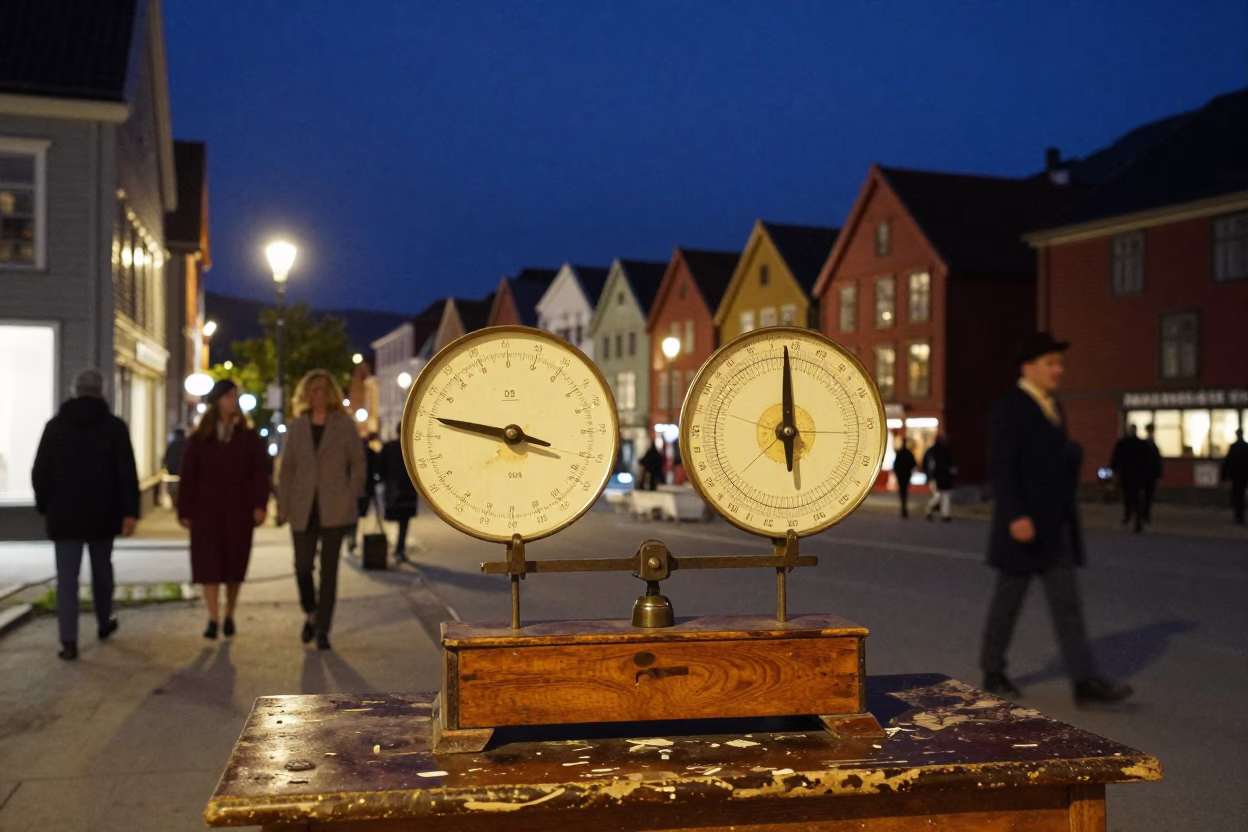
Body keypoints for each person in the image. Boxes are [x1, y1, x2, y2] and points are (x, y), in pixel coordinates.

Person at [979, 332, 1131, 706]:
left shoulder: (1054, 408)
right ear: (1028, 366)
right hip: (1023, 527)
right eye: (1052, 363)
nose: (1059, 370)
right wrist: (1015, 515)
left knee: (1067, 605)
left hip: (1056, 526)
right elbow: (1001, 467)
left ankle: (1085, 682)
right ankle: (992, 669)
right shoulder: (1010, 408)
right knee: (1007, 602)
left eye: (1060, 364)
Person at [31, 369, 139, 661]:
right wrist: (130, 512)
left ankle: (68, 641)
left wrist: (44, 505)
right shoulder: (115, 427)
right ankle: (104, 622)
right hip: (103, 514)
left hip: (64, 515)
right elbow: (127, 473)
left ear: (75, 390)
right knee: (102, 571)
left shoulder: (55, 427)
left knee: (67, 579)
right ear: (102, 390)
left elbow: (40, 471)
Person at [277, 370, 366, 650]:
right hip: (303, 507)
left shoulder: (344, 425)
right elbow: (287, 468)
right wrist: (283, 506)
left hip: (334, 507)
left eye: (323, 391)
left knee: (329, 573)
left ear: (331, 395)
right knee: (302, 567)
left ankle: (323, 629)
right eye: (313, 390)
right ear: (306, 395)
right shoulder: (298, 426)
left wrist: (351, 492)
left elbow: (358, 463)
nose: (319, 396)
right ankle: (311, 613)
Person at [176, 380, 270, 639]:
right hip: (207, 510)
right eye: (228, 397)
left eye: (235, 397)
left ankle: (230, 613)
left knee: (234, 565)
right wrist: (185, 509)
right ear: (217, 401)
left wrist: (260, 505)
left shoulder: (248, 437)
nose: (232, 402)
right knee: (209, 565)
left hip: (238, 510)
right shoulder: (200, 438)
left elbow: (260, 473)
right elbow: (189, 475)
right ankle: (212, 617)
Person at [380, 434, 418, 561]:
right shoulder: (412, 447)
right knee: (404, 521)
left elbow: (381, 467)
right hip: (408, 490)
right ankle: (399, 549)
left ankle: (396, 548)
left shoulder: (389, 447)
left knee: (397, 519)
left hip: (393, 489)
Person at [347, 434, 380, 555]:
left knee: (356, 515)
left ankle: (352, 538)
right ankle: (353, 538)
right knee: (358, 515)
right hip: (363, 489)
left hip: (360, 489)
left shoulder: (355, 454)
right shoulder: (368, 453)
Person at [1110, 424, 1147, 532]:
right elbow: (1146, 461)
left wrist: (1115, 471)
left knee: (1128, 496)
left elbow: (1116, 458)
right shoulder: (1141, 444)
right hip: (1136, 474)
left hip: (1127, 474)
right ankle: (1136, 520)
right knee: (1136, 497)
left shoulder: (1123, 443)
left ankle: (1128, 515)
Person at [922, 433, 955, 522]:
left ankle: (938, 512)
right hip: (942, 477)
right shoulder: (945, 451)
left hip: (935, 477)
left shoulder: (931, 451)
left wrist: (928, 475)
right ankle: (944, 514)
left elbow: (926, 465)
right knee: (944, 495)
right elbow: (950, 464)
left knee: (940, 495)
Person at [1221, 428, 1248, 525]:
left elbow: (1227, 462)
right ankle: (1242, 515)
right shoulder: (1246, 447)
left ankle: (1238, 515)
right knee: (1242, 495)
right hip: (1244, 475)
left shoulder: (1233, 447)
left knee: (1236, 495)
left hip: (1236, 476)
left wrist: (1224, 476)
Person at [1141, 423, 1162, 523]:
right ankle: (1145, 514)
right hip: (1148, 473)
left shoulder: (1149, 442)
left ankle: (1145, 513)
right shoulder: (1148, 443)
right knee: (1147, 495)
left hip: (1149, 473)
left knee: (1147, 495)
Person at [893, 440, 917, 518]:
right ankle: (904, 508)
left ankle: (903, 508)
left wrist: (897, 474)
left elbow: (895, 465)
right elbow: (914, 464)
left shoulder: (899, 453)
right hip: (906, 475)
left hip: (901, 476)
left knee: (902, 492)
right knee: (905, 491)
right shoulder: (909, 453)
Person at [163, 427, 187, 505]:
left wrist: (166, 466)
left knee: (173, 489)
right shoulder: (186, 444)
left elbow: (167, 458)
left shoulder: (172, 444)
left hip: (172, 472)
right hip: (182, 472)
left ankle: (174, 502)